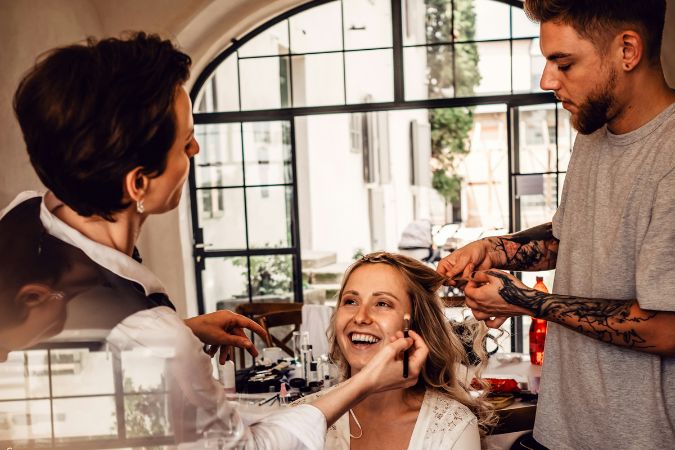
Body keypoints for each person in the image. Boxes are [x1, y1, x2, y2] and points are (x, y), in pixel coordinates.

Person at [3, 32, 429, 449]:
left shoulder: (17, 217)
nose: (196, 149)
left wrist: (184, 332)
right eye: (184, 139)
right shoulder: (152, 340)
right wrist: (367, 383)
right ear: (138, 184)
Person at [437, 1, 675, 448]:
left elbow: (665, 327)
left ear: (628, 50)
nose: (547, 81)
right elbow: (573, 237)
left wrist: (523, 300)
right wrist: (496, 248)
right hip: (560, 430)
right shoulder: (592, 134)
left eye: (563, 63)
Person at [294, 252, 494, 450]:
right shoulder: (300, 417)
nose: (360, 317)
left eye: (382, 304)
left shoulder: (452, 427)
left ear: (416, 324)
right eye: (350, 301)